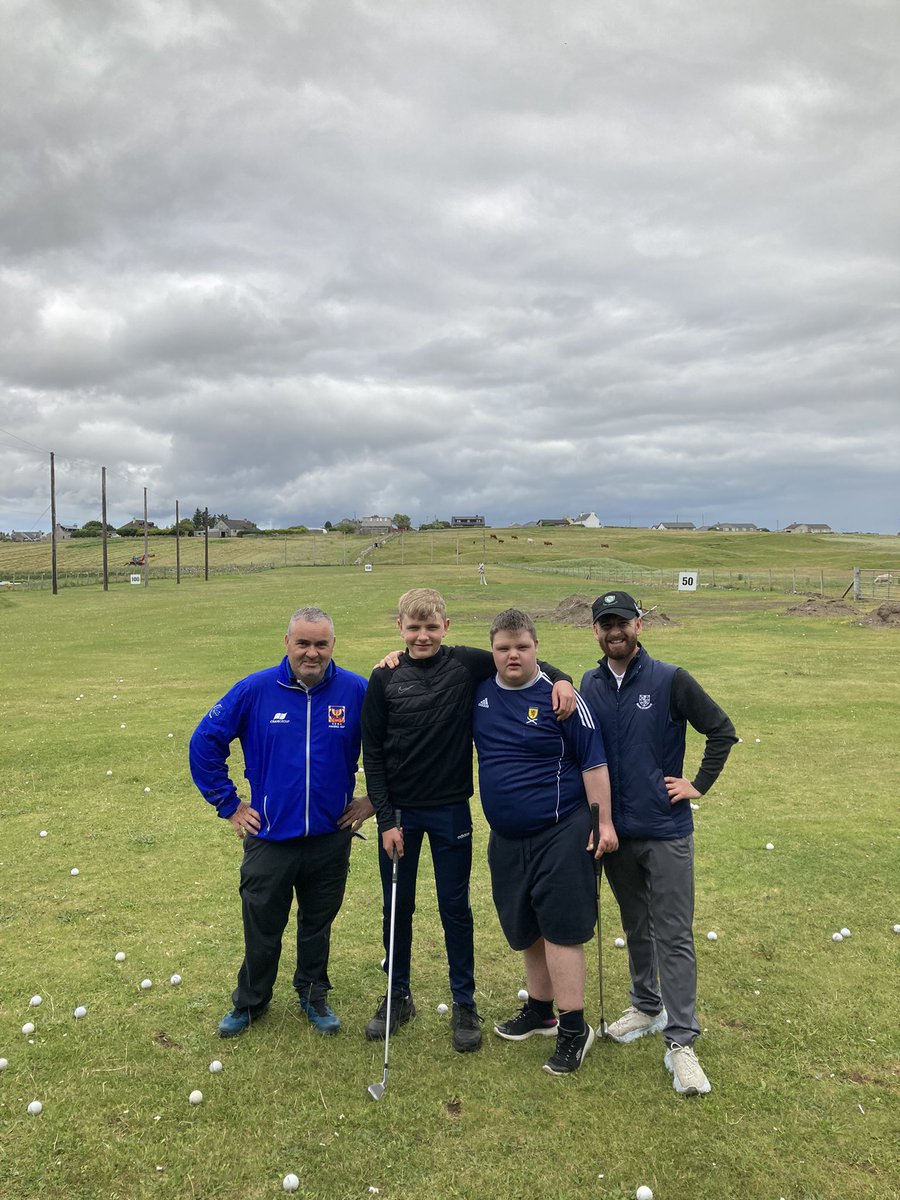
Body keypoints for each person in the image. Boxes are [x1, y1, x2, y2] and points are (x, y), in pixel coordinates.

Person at [361, 588, 576, 1053]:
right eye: (413, 629)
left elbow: (522, 660)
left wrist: (563, 681)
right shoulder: (383, 678)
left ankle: (464, 1002)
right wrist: (386, 819)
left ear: (446, 627)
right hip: (400, 816)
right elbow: (372, 754)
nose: (423, 636)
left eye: (431, 627)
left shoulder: (466, 663)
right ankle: (398, 996)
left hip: (451, 810)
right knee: (398, 907)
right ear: (399, 629)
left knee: (455, 908)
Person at [579, 591, 738, 1096]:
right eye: (605, 625)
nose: (614, 632)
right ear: (596, 632)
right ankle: (646, 1006)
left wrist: (697, 784)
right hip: (617, 835)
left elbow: (721, 730)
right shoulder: (589, 682)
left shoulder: (670, 678)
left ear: (638, 625)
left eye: (621, 622)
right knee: (635, 925)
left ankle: (682, 1041)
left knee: (673, 933)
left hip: (666, 831)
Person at [189, 607, 373, 1038]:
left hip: (331, 837)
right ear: (286, 642)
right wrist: (230, 804)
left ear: (332, 646)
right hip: (270, 838)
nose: (312, 652)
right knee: (262, 927)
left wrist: (372, 801)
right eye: (303, 643)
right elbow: (204, 742)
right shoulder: (254, 690)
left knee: (317, 924)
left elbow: (393, 748)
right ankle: (251, 1002)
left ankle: (312, 994)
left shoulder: (356, 691)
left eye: (321, 644)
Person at [473, 609, 617, 1075]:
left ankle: (575, 1028)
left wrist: (605, 824)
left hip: (562, 830)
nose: (512, 655)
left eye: (522, 647)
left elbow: (594, 764)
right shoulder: (479, 693)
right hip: (506, 837)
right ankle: (540, 1011)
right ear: (492, 650)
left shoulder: (563, 700)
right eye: (503, 648)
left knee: (560, 928)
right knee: (525, 927)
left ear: (537, 648)